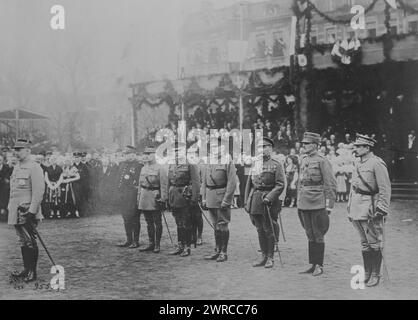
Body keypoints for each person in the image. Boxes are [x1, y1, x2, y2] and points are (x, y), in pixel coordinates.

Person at [347, 134, 391, 287]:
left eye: (359, 146)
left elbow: (385, 188)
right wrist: (349, 207)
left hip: (370, 207)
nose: (356, 149)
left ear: (367, 147)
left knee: (373, 242)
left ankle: (375, 274)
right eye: (356, 146)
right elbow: (353, 187)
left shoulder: (376, 163)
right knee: (364, 243)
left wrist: (382, 208)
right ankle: (366, 272)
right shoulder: (357, 163)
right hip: (357, 206)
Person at [297, 132, 337, 276]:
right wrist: (298, 200)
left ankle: (319, 265)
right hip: (304, 202)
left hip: (318, 201)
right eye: (303, 144)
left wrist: (329, 205)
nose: (304, 146)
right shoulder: (303, 159)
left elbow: (330, 183)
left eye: (307, 143)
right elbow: (300, 183)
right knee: (309, 234)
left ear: (315, 145)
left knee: (318, 234)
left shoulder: (322, 160)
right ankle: (312, 264)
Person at [244, 137, 286, 268]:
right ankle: (263, 256)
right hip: (256, 199)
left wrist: (270, 197)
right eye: (260, 147)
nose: (262, 150)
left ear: (270, 149)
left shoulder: (276, 164)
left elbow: (280, 184)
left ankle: (270, 258)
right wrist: (246, 201)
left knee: (269, 229)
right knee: (259, 229)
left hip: (269, 201)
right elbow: (249, 185)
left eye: (265, 147)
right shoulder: (255, 164)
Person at [8, 139, 45, 282]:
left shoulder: (34, 167)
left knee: (30, 241)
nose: (16, 152)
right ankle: (26, 269)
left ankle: (33, 272)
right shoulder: (17, 167)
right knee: (22, 241)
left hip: (27, 211)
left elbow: (38, 191)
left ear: (28, 150)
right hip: (16, 211)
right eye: (15, 150)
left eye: (19, 150)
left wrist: (32, 211)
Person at [201, 137, 236, 262]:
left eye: (218, 147)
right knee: (215, 225)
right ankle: (217, 250)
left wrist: (227, 200)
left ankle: (223, 252)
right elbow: (204, 181)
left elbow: (232, 182)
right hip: (210, 196)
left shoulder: (228, 160)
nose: (215, 149)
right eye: (213, 147)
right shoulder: (209, 161)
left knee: (223, 225)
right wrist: (204, 198)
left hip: (222, 197)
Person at [167, 141, 200, 257]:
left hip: (185, 197)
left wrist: (194, 198)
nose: (176, 154)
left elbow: (196, 182)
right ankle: (180, 245)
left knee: (186, 222)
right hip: (174, 196)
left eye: (178, 151)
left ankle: (187, 247)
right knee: (178, 223)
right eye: (174, 151)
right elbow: (168, 181)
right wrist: (167, 197)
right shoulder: (171, 164)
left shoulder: (190, 163)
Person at [138, 146, 168, 253]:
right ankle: (151, 243)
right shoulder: (143, 168)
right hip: (144, 196)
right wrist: (138, 198)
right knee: (148, 222)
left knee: (157, 221)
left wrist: (163, 199)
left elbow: (164, 185)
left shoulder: (160, 168)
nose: (147, 156)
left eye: (149, 154)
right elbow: (140, 185)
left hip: (155, 197)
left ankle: (157, 244)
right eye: (146, 154)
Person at [116, 145, 142, 248]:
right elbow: (119, 180)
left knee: (135, 218)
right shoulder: (122, 165)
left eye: (131, 154)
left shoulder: (138, 166)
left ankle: (136, 241)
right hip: (123, 195)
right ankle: (128, 239)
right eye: (127, 154)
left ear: (135, 154)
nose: (129, 156)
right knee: (126, 218)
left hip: (133, 195)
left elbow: (138, 181)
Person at [0, 155, 12, 220]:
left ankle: (3, 212)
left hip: (3, 188)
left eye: (0, 160)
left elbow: (6, 179)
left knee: (4, 199)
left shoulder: (7, 168)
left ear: (3, 161)